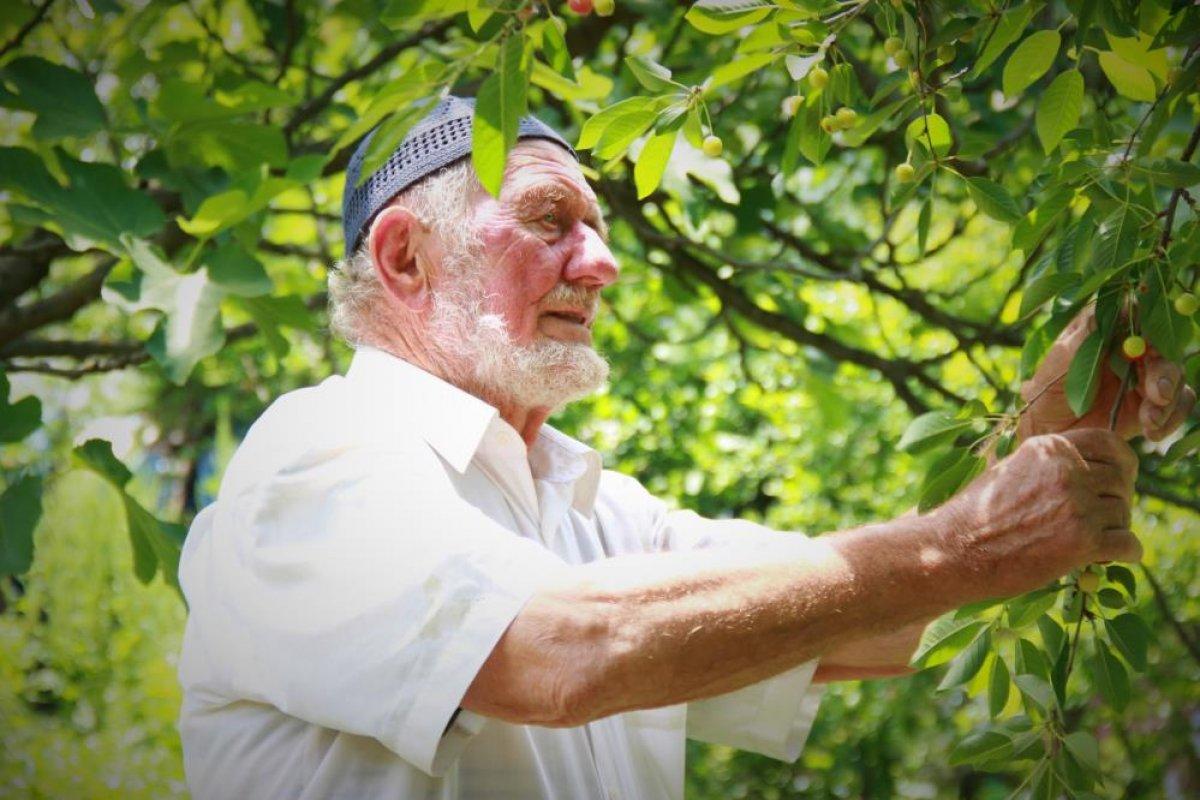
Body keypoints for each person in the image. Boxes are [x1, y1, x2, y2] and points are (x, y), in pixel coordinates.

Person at [176, 96, 1195, 800]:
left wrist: (1050, 429)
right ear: (407, 256)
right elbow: (564, 652)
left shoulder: (593, 506)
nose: (605, 261)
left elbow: (857, 623)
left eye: (599, 225)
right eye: (550, 220)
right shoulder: (313, 461)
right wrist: (969, 544)